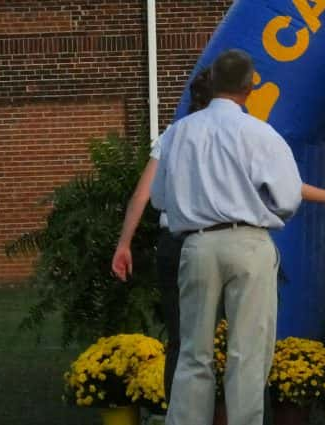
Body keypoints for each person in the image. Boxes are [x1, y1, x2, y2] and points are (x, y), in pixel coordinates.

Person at [151, 49, 318, 425]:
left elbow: (159, 198)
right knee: (248, 352)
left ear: (211, 83)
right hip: (248, 240)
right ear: (250, 85)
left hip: (196, 242)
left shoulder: (179, 132)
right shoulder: (259, 132)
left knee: (193, 350)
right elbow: (289, 198)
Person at [111, 68, 212, 399]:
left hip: (172, 240)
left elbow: (141, 194)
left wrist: (124, 243)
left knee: (179, 337)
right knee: (217, 336)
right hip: (209, 239)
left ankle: (178, 412)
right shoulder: (230, 134)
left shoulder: (172, 135)